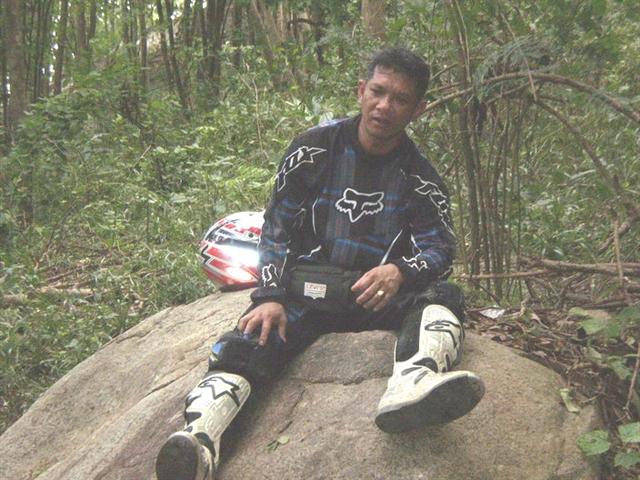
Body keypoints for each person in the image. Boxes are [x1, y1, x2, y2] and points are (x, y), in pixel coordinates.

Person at [155, 47, 485, 480]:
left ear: (417, 109)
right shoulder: (313, 149)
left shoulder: (420, 176)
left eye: (400, 99)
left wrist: (400, 271)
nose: (384, 106)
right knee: (249, 339)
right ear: (361, 91)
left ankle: (413, 383)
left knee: (443, 296)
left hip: (373, 299)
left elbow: (440, 247)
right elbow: (277, 226)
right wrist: (269, 295)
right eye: (378, 92)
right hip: (305, 294)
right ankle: (198, 442)